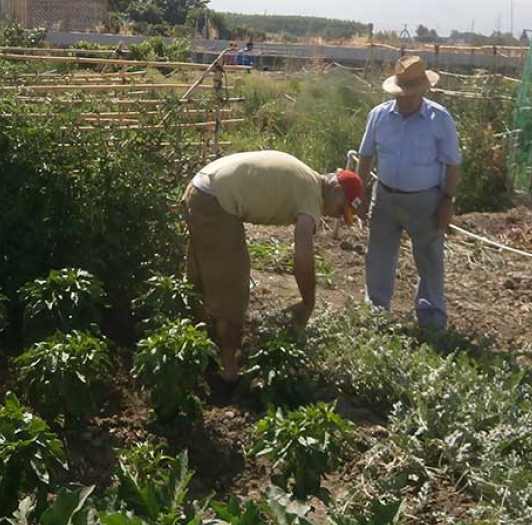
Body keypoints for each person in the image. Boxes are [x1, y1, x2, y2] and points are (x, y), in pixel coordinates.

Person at [182, 151, 364, 386]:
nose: (336, 216)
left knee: (202, 278)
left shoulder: (305, 177)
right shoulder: (311, 198)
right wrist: (309, 301)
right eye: (342, 209)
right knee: (232, 290)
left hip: (200, 187)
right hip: (216, 200)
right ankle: (227, 372)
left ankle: (197, 350)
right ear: (337, 190)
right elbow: (303, 259)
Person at [357, 56, 462, 331]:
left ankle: (432, 319)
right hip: (385, 198)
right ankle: (376, 315)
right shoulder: (379, 116)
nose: (405, 99)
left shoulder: (439, 119)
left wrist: (448, 201)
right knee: (378, 256)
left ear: (423, 91)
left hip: (426, 200)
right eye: (401, 94)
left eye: (411, 94)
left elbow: (453, 162)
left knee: (429, 259)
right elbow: (366, 156)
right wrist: (360, 192)